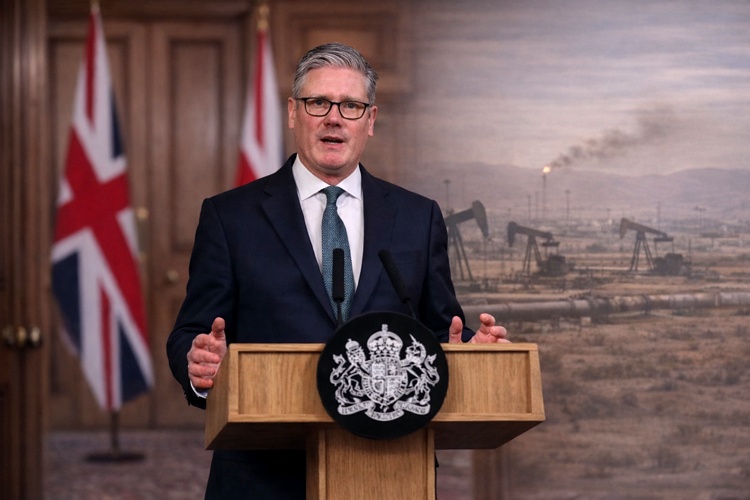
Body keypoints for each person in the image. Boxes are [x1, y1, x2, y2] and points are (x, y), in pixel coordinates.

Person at [166, 42, 509, 499]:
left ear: (370, 119)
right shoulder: (230, 216)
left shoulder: (417, 216)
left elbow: (439, 328)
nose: (334, 118)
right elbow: (191, 332)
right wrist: (199, 363)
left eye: (350, 105)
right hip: (263, 475)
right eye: (318, 103)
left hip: (390, 468)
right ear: (293, 113)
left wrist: (471, 354)